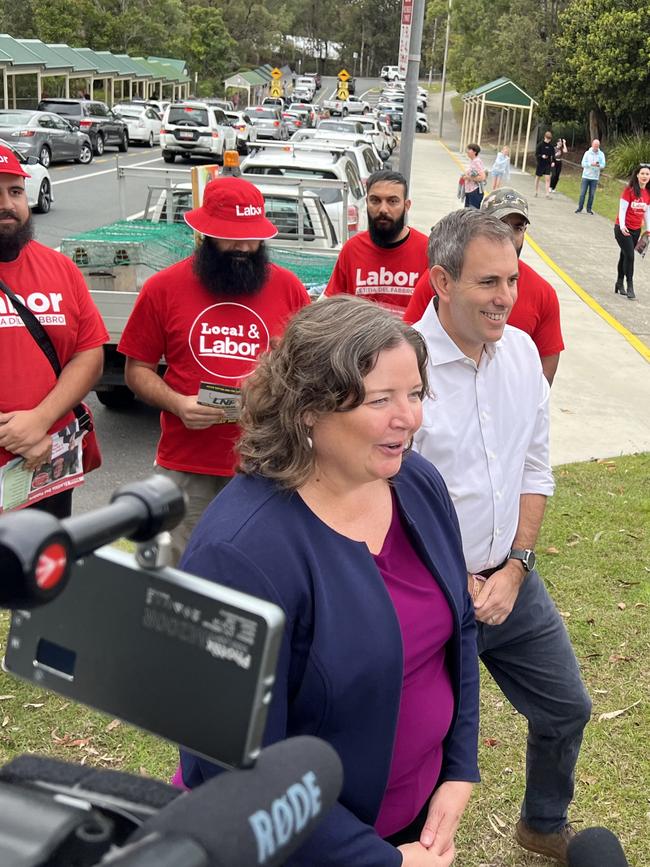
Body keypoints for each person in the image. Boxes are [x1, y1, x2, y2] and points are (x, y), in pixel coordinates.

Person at [178, 296, 480, 867]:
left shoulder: (416, 482)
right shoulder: (239, 553)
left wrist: (459, 767)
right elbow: (237, 766)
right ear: (308, 409)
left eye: (414, 394)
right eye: (380, 400)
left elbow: (458, 628)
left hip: (414, 819)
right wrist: (378, 860)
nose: (409, 418)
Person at [412, 209, 591, 866]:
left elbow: (535, 466)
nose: (506, 298)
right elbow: (381, 499)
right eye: (489, 282)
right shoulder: (404, 365)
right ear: (441, 280)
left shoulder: (520, 354)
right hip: (428, 594)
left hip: (512, 581)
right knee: (417, 745)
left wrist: (516, 567)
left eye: (511, 279)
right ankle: (410, 848)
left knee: (567, 707)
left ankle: (543, 821)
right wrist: (452, 582)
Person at [118, 176, 310, 563]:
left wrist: (276, 385)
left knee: (257, 568)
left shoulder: (289, 289)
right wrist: (177, 403)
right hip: (186, 464)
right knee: (177, 570)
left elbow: (309, 371)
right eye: (230, 237)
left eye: (252, 237)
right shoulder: (162, 288)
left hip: (267, 463)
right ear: (204, 234)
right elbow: (137, 370)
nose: (243, 247)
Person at [0, 144, 107, 518]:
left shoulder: (60, 269)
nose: (7, 205)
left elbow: (89, 354)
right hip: (21, 452)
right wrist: (16, 436)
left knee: (44, 569)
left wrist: (40, 421)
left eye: (15, 192)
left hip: (48, 461)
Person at [403, 188, 565, 385]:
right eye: (488, 282)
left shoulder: (526, 344)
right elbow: (411, 336)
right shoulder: (439, 280)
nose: (505, 298)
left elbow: (546, 366)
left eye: (518, 227)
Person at [324, 169, 429, 315]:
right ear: (366, 202)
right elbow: (332, 306)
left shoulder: (427, 251)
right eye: (375, 200)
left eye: (392, 201)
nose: (383, 209)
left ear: (406, 206)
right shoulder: (352, 249)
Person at [613, 163, 650, 300]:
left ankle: (618, 283)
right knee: (630, 256)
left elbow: (647, 213)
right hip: (622, 229)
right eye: (642, 174)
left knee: (624, 255)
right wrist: (622, 226)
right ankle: (630, 286)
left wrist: (648, 229)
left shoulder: (648, 193)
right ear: (637, 175)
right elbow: (622, 210)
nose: (645, 176)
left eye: (647, 174)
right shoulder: (629, 190)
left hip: (636, 230)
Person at [575, 139, 606, 214]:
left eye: (597, 146)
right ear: (592, 145)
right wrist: (590, 164)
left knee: (592, 194)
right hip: (586, 176)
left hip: (595, 177)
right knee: (582, 193)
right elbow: (583, 163)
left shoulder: (601, 154)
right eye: (595, 145)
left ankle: (589, 209)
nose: (596, 147)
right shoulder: (587, 153)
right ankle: (580, 207)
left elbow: (603, 165)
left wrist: (598, 165)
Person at [461, 143, 486, 209]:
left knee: (472, 214)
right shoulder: (473, 161)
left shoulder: (476, 162)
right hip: (470, 191)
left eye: (469, 149)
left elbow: (482, 177)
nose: (467, 151)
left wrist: (468, 177)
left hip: (475, 191)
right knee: (467, 213)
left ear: (474, 152)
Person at [534, 131, 555, 198]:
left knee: (548, 178)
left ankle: (547, 194)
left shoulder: (551, 146)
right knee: (537, 178)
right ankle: (536, 191)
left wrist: (553, 162)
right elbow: (536, 154)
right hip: (540, 163)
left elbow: (553, 155)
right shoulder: (540, 145)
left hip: (547, 164)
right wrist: (541, 156)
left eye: (549, 139)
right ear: (544, 137)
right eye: (547, 139)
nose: (548, 140)